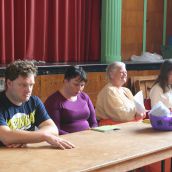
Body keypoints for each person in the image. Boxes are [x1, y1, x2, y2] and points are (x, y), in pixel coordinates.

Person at [0, 60, 75, 149]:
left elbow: (53, 129)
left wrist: (23, 139)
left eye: (31, 85)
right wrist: (44, 136)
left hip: (25, 153)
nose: (28, 90)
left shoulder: (34, 101)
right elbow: (6, 136)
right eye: (23, 85)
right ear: (9, 83)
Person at [44, 66, 98, 135]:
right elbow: (55, 129)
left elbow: (94, 122)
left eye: (82, 85)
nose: (79, 88)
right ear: (66, 81)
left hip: (88, 137)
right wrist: (75, 137)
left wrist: (93, 131)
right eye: (76, 84)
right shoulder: (53, 101)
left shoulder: (84, 97)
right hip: (67, 140)